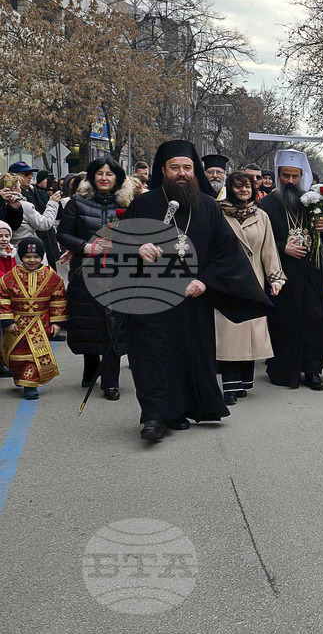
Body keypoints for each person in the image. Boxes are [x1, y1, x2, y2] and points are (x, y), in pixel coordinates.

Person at [123, 139, 272, 442]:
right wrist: (138, 249)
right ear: (162, 170)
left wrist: (205, 280)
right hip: (151, 298)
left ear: (195, 172)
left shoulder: (207, 207)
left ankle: (178, 411)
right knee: (151, 355)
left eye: (187, 168)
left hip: (193, 299)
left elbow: (225, 254)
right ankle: (152, 416)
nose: (182, 173)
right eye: (175, 167)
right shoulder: (144, 204)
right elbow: (121, 247)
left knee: (186, 355)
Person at [258, 149, 323, 390]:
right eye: (285, 176)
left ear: (302, 176)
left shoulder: (313, 202)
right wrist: (282, 247)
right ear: (279, 176)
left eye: (295, 176)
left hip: (311, 272)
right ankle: (286, 370)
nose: (290, 181)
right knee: (287, 322)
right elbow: (258, 239)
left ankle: (313, 369)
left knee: (316, 319)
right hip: (283, 275)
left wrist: (322, 228)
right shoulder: (266, 204)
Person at [57, 158, 133, 401]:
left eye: (109, 174)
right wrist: (86, 247)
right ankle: (91, 366)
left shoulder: (129, 205)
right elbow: (63, 234)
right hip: (86, 272)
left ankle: (111, 381)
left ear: (118, 179)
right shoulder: (76, 204)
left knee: (114, 325)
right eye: (99, 173)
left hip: (117, 273)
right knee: (88, 323)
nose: (104, 177)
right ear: (91, 177)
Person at [216, 172, 286, 404]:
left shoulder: (261, 215)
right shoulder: (218, 213)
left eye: (247, 186)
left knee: (249, 334)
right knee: (229, 335)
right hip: (227, 282)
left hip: (254, 281)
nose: (243, 190)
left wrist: (275, 278)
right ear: (230, 188)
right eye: (237, 186)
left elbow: (269, 250)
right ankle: (229, 385)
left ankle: (244, 382)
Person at [0, 238, 67, 400]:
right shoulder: (10, 277)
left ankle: (30, 385)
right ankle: (20, 377)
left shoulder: (51, 276)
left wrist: (57, 323)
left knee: (34, 355)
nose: (32, 260)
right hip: (17, 323)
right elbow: (3, 298)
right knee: (16, 355)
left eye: (36, 256)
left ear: (41, 257)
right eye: (27, 256)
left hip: (40, 323)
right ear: (21, 257)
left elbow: (58, 299)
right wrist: (7, 321)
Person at [9, 161, 60, 265]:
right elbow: (44, 224)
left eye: (31, 174)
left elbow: (57, 215)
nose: (30, 177)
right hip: (26, 250)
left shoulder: (38, 192)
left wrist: (54, 199)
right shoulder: (18, 202)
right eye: (25, 174)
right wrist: (53, 203)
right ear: (13, 177)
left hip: (47, 243)